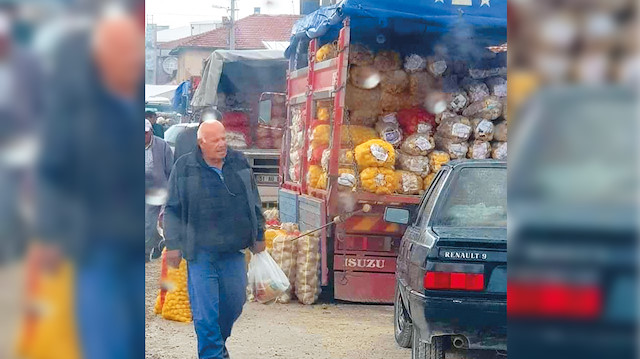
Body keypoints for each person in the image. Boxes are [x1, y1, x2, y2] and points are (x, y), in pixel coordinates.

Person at [35, 10, 145, 359]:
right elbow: (52, 172)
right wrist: (50, 234)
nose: (129, 59)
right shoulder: (74, 108)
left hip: (135, 241)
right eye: (119, 50)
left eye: (133, 50)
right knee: (102, 340)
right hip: (94, 243)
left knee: (132, 338)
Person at [164, 120, 265, 359]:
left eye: (224, 139)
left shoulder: (238, 162)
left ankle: (217, 345)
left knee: (233, 305)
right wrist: (173, 245)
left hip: (233, 251)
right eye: (216, 140)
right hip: (201, 253)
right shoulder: (185, 167)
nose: (222, 145)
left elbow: (254, 200)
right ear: (201, 143)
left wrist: (259, 234)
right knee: (205, 313)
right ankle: (213, 353)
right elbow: (172, 209)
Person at [145, 119, 173, 262]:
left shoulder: (162, 146)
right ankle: (156, 243)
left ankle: (146, 252)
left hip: (159, 188)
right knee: (147, 223)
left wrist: (169, 188)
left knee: (150, 222)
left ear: (151, 132)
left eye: (145, 133)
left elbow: (170, 169)